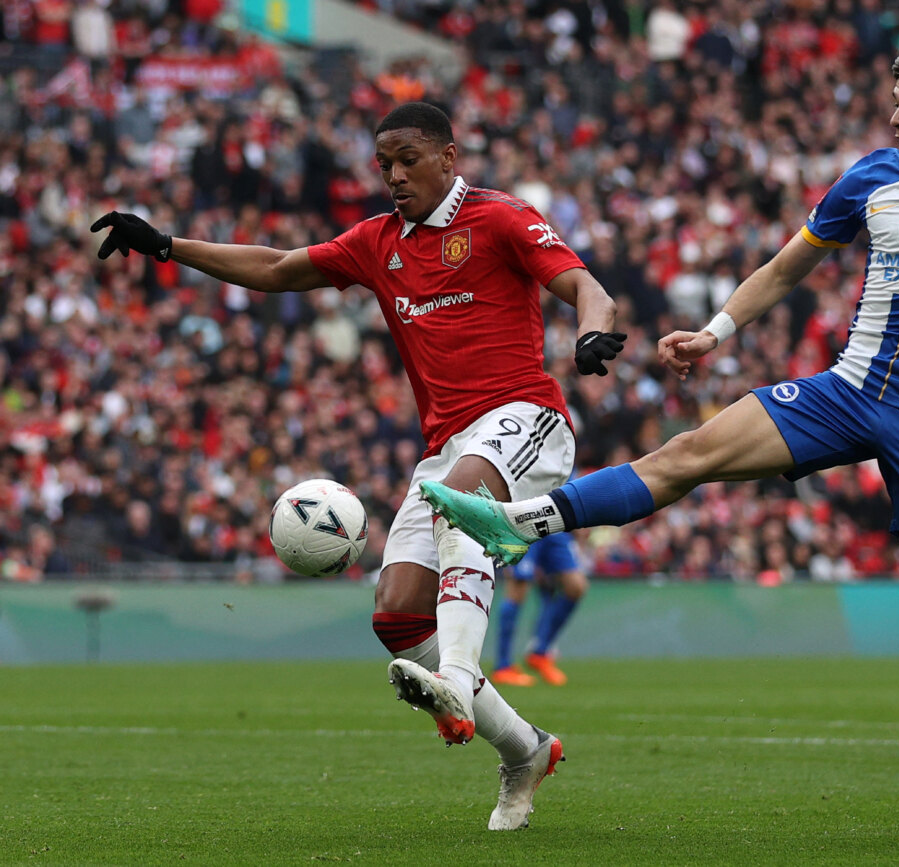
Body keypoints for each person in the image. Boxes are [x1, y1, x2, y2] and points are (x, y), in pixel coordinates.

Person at [421, 44, 899, 797]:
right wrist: (715, 333)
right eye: (895, 99)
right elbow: (789, 264)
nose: (896, 114)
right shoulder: (870, 177)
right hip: (846, 391)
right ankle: (523, 522)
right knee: (689, 452)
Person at [89, 101, 627, 830]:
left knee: (460, 503)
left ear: (449, 155)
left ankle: (459, 683)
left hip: (524, 418)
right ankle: (525, 749)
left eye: (408, 159)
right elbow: (278, 268)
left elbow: (584, 284)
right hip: (448, 446)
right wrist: (165, 245)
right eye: (384, 164)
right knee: (398, 611)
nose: (395, 175)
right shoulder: (377, 242)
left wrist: (594, 330)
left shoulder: (501, 218)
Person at [491, 531, 589, 687]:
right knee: (518, 587)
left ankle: (540, 652)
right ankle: (503, 666)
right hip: (525, 523)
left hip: (556, 527)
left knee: (576, 587)